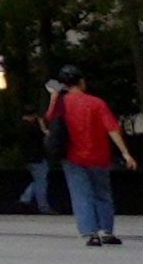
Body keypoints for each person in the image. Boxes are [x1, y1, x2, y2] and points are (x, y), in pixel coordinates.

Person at [52, 71, 128, 245]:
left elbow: (51, 122)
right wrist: (125, 152)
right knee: (102, 194)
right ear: (81, 82)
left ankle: (89, 232)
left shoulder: (61, 104)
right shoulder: (96, 102)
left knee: (81, 194)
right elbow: (112, 128)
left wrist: (54, 97)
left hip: (72, 156)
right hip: (99, 156)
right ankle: (106, 230)